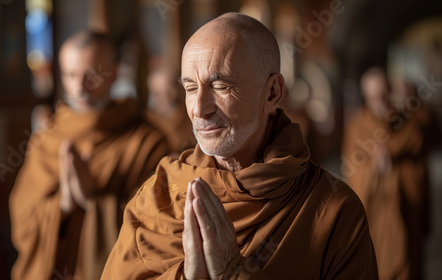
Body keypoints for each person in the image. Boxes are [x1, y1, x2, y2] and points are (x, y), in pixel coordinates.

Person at [102, 13, 378, 279]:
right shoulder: (158, 195)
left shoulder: (333, 209)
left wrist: (233, 271)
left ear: (272, 93)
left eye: (220, 86)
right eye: (190, 88)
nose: (199, 108)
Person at [9, 30, 169, 280]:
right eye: (70, 75)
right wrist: (64, 204)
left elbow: (156, 229)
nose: (79, 87)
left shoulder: (147, 142)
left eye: (91, 76)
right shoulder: (47, 138)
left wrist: (91, 199)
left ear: (114, 73)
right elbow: (22, 219)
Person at [342, 69, 435, 279]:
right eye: (373, 97)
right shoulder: (356, 127)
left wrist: (394, 161)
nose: (380, 102)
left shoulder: (408, 122)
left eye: (384, 95)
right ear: (366, 97)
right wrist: (374, 167)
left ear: (390, 92)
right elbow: (351, 171)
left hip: (405, 211)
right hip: (374, 214)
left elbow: (420, 164)